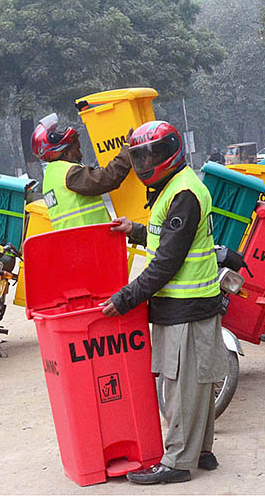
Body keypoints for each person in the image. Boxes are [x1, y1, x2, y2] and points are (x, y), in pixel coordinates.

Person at [100, 120, 227, 484]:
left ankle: (176, 463)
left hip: (184, 305)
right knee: (198, 382)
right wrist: (135, 231)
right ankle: (201, 451)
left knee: (180, 388)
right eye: (139, 156)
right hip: (196, 302)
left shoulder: (182, 191)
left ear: (170, 151)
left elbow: (167, 262)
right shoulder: (176, 186)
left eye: (150, 155)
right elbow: (166, 239)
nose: (144, 163)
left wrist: (126, 298)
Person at [31, 113, 132, 230]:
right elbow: (107, 178)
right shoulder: (69, 173)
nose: (81, 154)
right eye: (77, 149)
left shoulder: (51, 175)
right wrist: (127, 149)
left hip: (77, 242)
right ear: (63, 151)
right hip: (91, 241)